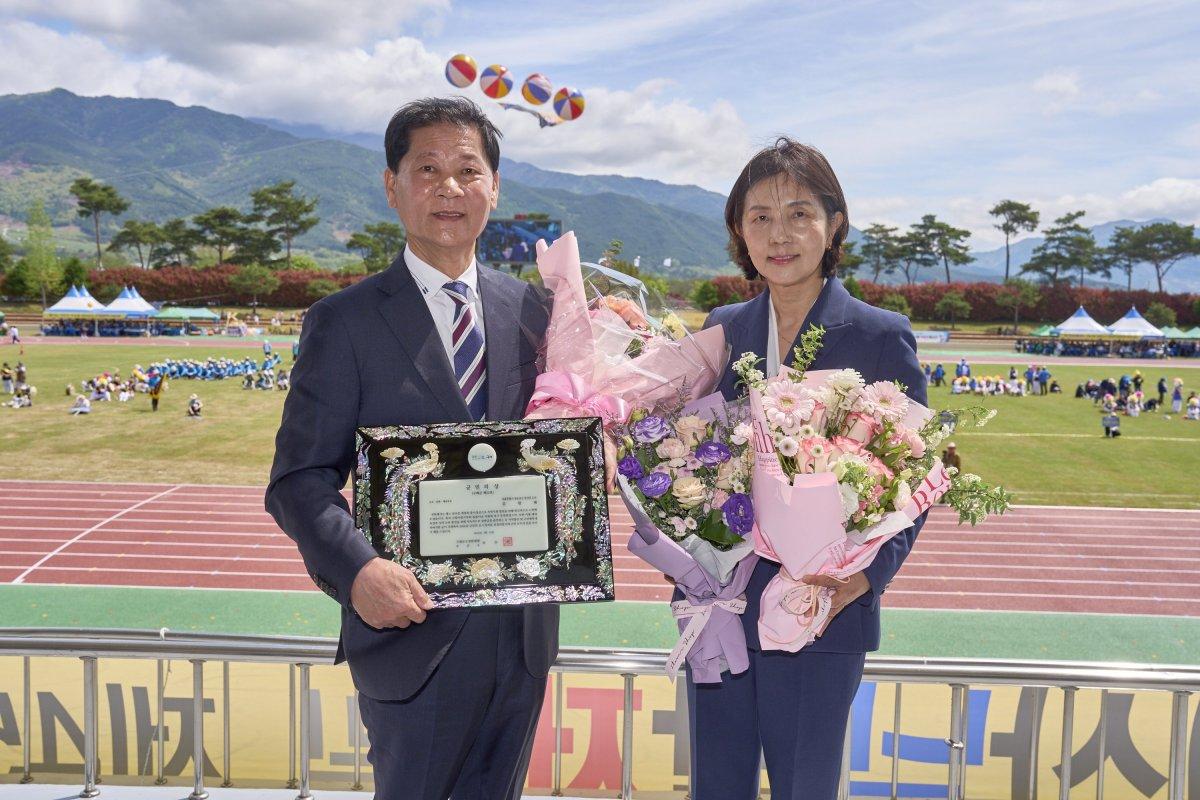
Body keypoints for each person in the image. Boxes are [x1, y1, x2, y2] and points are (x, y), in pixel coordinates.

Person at [265, 97, 557, 800]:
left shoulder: (537, 312)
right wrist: (359, 570)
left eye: (468, 170)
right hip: (411, 635)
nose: (449, 188)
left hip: (519, 637)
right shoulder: (345, 322)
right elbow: (298, 479)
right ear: (393, 186)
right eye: (427, 169)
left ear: (496, 187)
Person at [692, 137, 929, 799]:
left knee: (804, 784)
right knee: (718, 783)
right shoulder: (722, 328)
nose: (780, 234)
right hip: (722, 604)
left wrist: (866, 577)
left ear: (835, 225)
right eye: (760, 216)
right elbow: (688, 450)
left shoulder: (881, 335)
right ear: (739, 230)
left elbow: (913, 473)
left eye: (799, 213)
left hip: (823, 604)